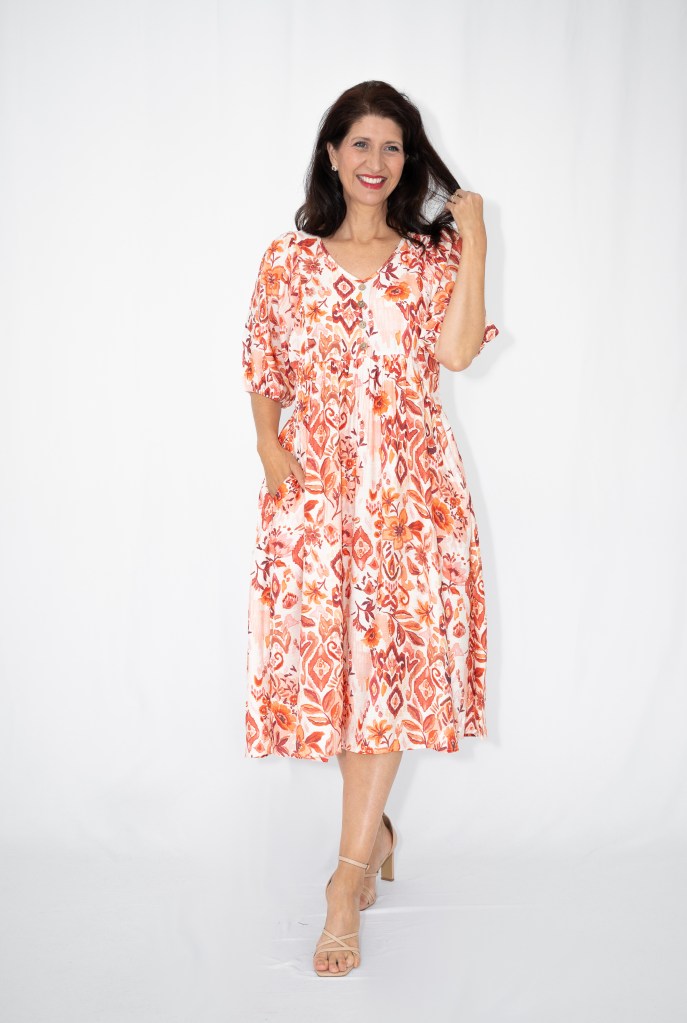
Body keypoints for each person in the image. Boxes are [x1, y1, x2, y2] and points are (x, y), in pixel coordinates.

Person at [241, 80, 499, 978]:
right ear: (331, 153)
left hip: (411, 501)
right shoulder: (288, 260)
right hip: (316, 498)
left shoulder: (430, 259)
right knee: (337, 678)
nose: (375, 162)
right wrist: (270, 449)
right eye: (360, 144)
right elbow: (264, 365)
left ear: (408, 160)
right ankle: (376, 833)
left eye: (392, 147)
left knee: (385, 677)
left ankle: (343, 883)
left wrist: (475, 240)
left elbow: (456, 352)